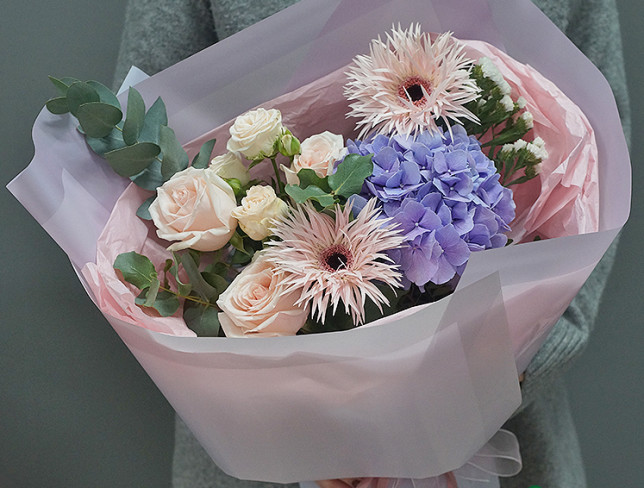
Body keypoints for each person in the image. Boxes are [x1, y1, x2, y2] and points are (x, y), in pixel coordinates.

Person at [114, 1, 631, 487]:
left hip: (504, 415)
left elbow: (599, 153)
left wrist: (502, 371)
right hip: (273, 439)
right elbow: (140, 160)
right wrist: (305, 417)